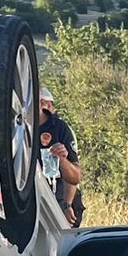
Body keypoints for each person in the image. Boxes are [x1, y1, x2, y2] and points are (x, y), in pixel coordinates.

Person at [38, 89, 84, 224]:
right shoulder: (18, 128)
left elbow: (75, 177)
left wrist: (67, 205)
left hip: (57, 201)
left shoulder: (60, 128)